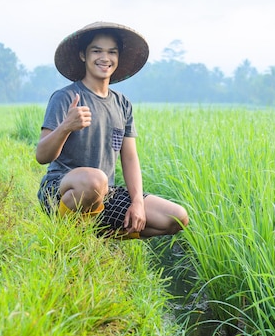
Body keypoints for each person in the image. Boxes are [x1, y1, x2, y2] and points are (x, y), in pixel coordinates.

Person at [36, 21, 189, 239]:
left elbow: (129, 158)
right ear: (83, 55)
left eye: (112, 52)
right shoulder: (67, 97)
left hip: (103, 194)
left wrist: (137, 202)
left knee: (176, 217)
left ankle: (93, 236)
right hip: (59, 190)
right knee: (95, 181)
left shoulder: (122, 104)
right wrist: (66, 126)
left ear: (118, 58)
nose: (104, 58)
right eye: (97, 51)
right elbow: (41, 156)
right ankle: (64, 236)